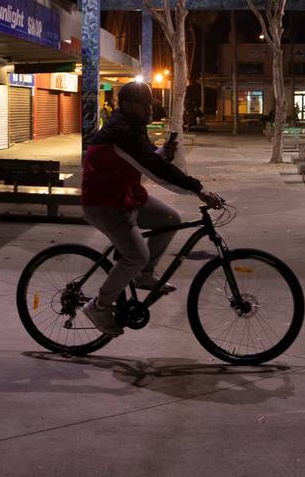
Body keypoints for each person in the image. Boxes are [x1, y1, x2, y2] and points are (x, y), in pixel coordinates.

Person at [79, 81, 224, 336]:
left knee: (171, 218)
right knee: (136, 255)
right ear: (127, 105)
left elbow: (143, 158)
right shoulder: (120, 132)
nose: (149, 109)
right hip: (104, 203)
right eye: (144, 104)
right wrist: (198, 190)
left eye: (150, 104)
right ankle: (99, 306)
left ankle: (144, 276)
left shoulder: (133, 127)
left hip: (126, 196)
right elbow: (152, 168)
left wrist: (161, 152)